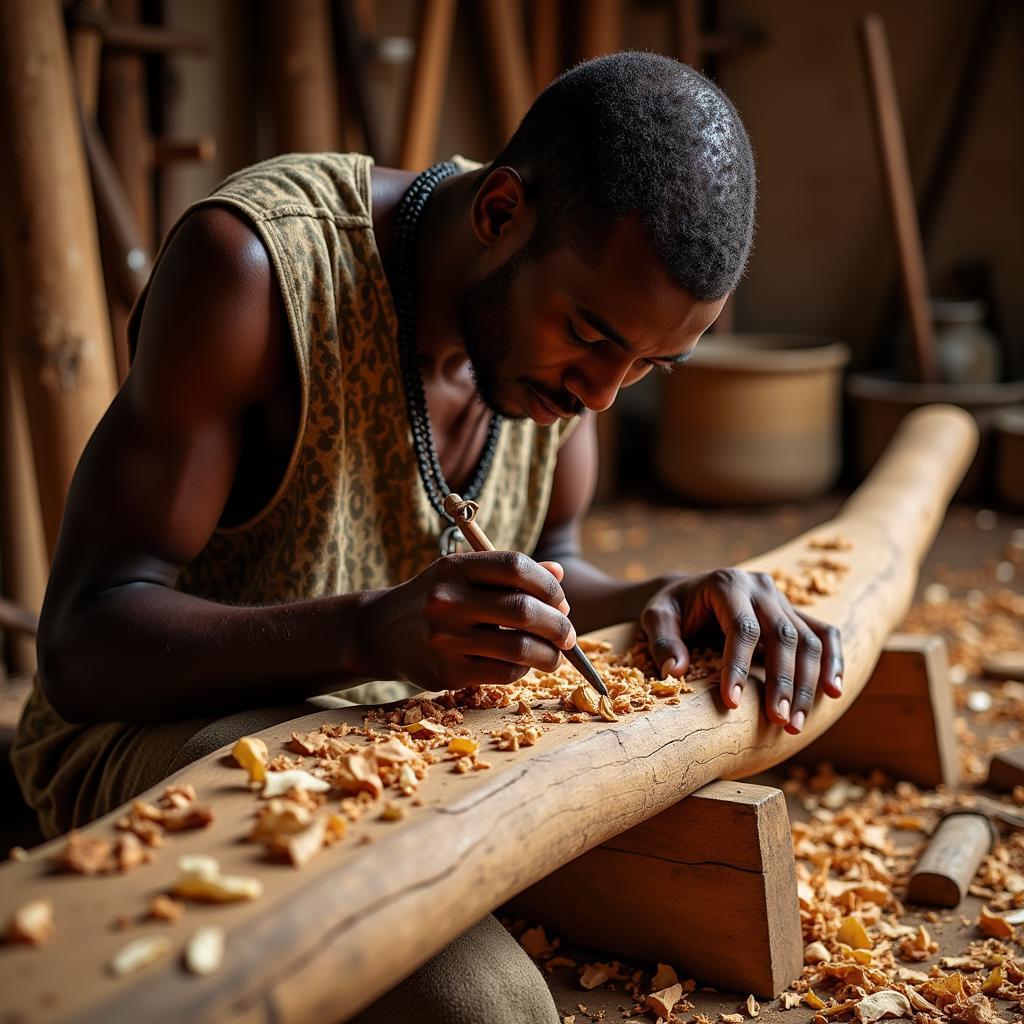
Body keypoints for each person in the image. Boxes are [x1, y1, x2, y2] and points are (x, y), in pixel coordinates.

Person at [13, 52, 842, 1022]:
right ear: (499, 214)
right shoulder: (253, 272)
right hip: (153, 729)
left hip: (383, 740)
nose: (602, 393)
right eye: (590, 336)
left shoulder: (574, 332)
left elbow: (555, 564)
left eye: (650, 364)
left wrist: (668, 590)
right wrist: (372, 634)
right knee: (490, 1008)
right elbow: (82, 642)